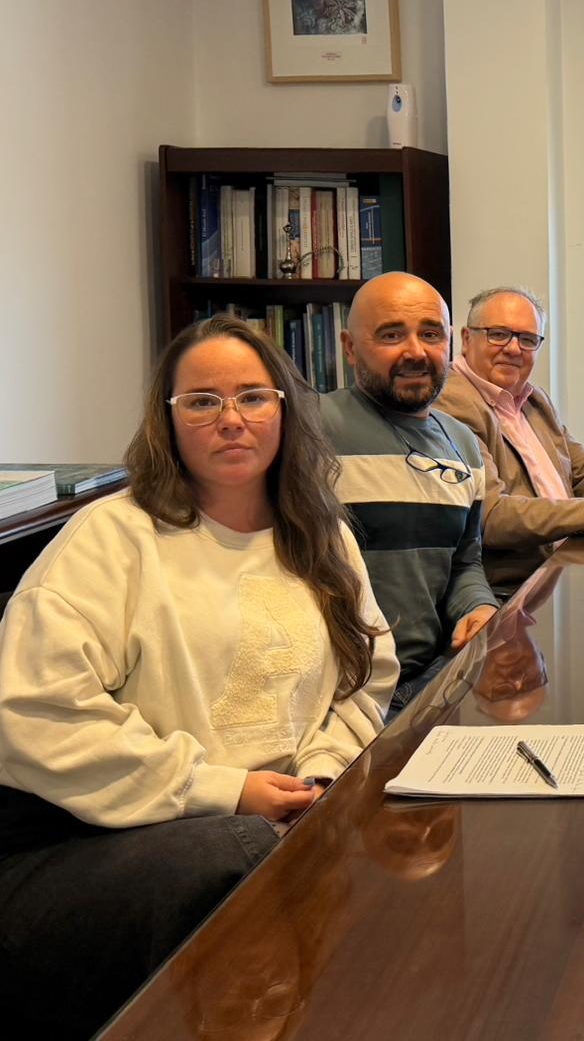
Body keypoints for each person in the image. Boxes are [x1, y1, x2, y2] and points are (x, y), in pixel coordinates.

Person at [0, 314, 397, 1039]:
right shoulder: (112, 538)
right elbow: (33, 714)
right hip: (95, 841)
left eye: (253, 397)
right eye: (203, 401)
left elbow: (364, 676)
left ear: (285, 409)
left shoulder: (323, 536)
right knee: (242, 859)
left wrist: (322, 773)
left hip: (277, 821)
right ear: (169, 420)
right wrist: (224, 790)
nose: (231, 419)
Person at [322, 272, 498, 716]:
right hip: (343, 696)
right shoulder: (309, 430)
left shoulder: (464, 446)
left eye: (431, 334)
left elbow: (464, 563)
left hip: (433, 683)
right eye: (391, 335)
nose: (416, 352)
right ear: (349, 348)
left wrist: (478, 606)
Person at [435, 286, 584, 582]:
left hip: (564, 566)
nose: (513, 348)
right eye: (498, 334)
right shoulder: (452, 402)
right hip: (512, 586)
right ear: (466, 338)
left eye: (527, 339)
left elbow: (582, 470)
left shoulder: (533, 399)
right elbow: (492, 516)